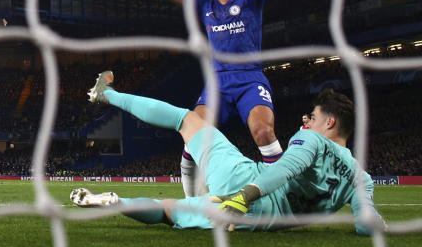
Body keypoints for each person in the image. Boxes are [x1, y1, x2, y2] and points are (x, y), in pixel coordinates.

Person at [73, 72, 383, 234]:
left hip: (244, 186)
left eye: (311, 118)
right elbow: (365, 224)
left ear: (329, 122)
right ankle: (119, 202)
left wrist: (244, 196)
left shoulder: (312, 141)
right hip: (258, 223)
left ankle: (108, 95)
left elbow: (283, 169)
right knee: (167, 211)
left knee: (186, 119)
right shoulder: (361, 180)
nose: (305, 121)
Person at [157, 0, 282, 198]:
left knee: (263, 133)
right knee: (193, 136)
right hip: (216, 83)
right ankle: (192, 203)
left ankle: (283, 196)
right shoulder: (205, 6)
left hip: (250, 78)